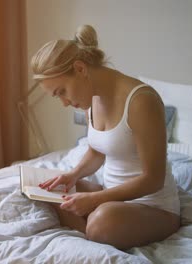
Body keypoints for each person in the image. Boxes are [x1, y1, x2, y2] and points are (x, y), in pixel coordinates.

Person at [30, 25, 180, 250]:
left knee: (102, 222)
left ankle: (92, 231)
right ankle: (92, 231)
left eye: (61, 91)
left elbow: (153, 179)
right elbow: (97, 150)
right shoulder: (92, 97)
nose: (63, 102)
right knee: (48, 191)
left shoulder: (141, 101)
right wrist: (72, 175)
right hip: (110, 197)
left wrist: (93, 201)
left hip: (152, 207)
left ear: (80, 69)